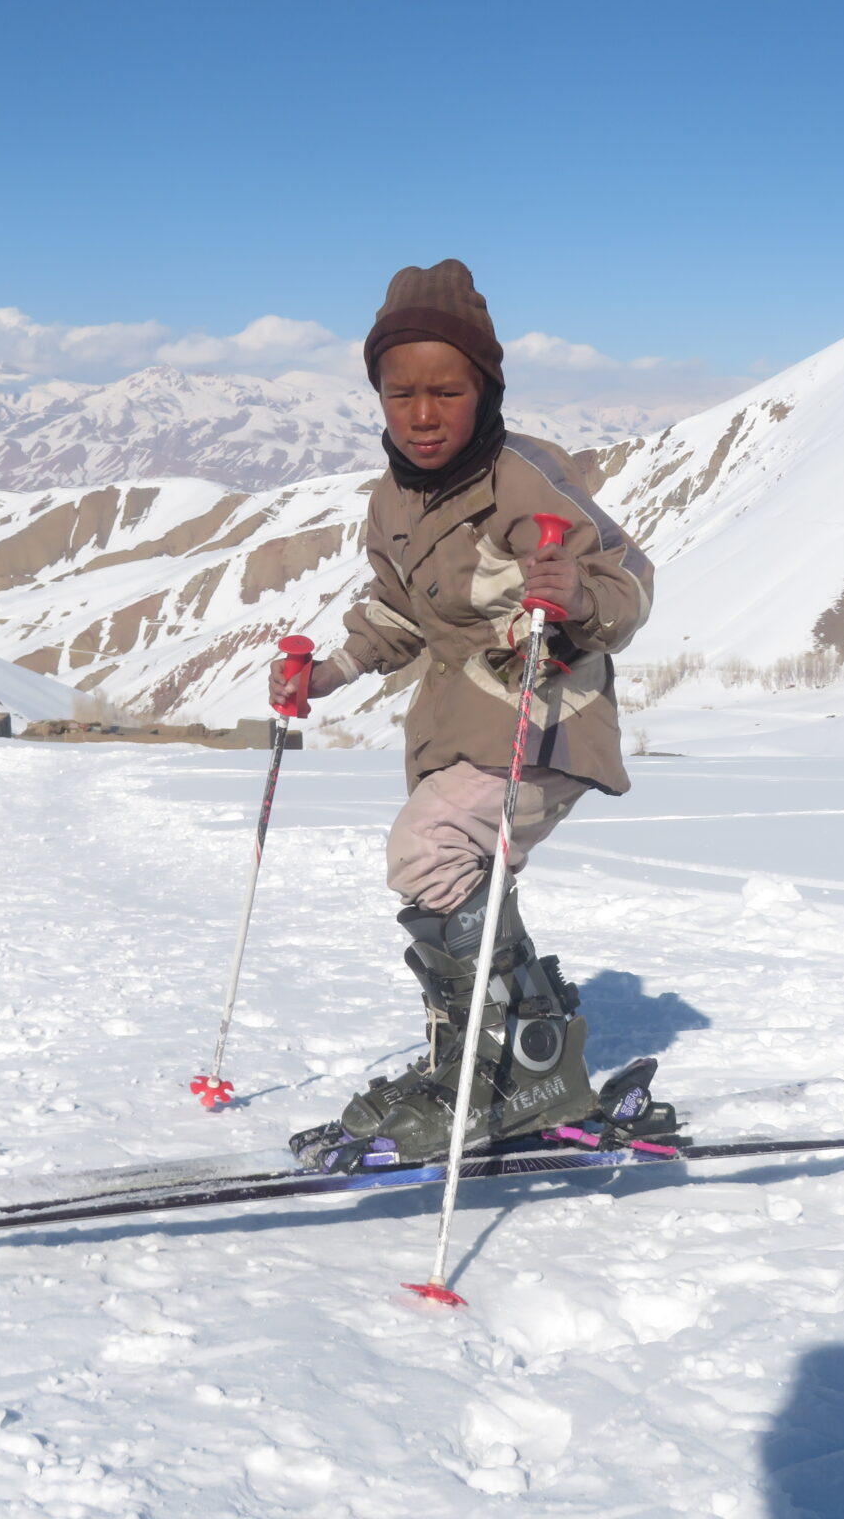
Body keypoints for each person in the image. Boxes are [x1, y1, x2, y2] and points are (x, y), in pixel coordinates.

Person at [271, 259, 662, 1172]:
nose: (422, 411)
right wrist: (326, 675)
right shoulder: (394, 497)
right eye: (400, 390)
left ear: (484, 389)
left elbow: (629, 579)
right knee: (447, 867)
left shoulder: (528, 482)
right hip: (459, 721)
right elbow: (401, 613)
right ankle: (507, 1063)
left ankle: (509, 1074)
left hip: (544, 711)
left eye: (447, 389)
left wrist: (576, 594)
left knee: (431, 851)